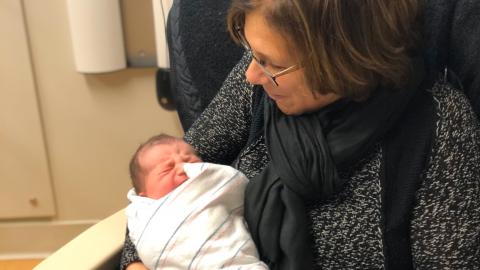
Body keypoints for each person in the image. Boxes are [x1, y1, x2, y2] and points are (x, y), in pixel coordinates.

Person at [122, 0, 480, 269]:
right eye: (251, 53)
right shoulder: (260, 84)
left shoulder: (439, 130)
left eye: (272, 64)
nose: (251, 74)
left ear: (346, 56)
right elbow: (155, 189)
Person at [125, 134, 268, 270]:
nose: (183, 168)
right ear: (143, 194)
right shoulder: (141, 211)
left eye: (189, 160)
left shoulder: (208, 186)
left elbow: (231, 183)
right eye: (167, 169)